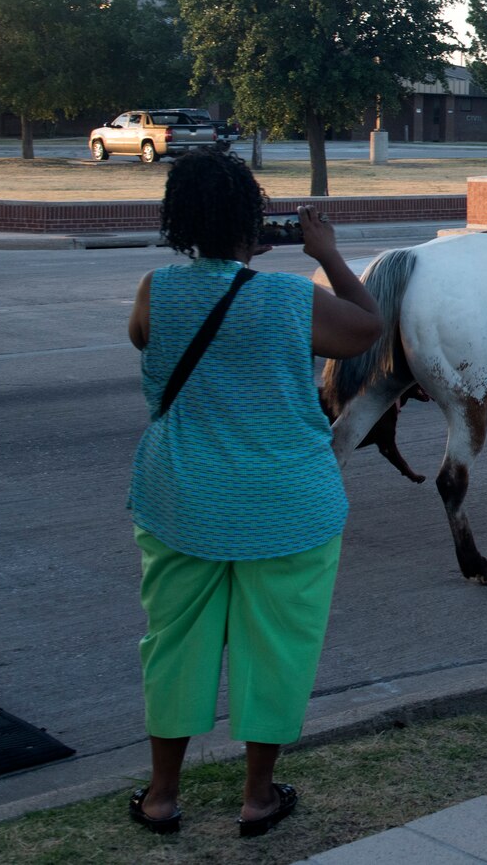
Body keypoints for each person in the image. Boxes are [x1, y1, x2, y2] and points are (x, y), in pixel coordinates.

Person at [124, 149, 383, 838]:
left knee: (173, 643)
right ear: (252, 220)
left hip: (181, 498)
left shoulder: (156, 289)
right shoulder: (290, 297)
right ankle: (257, 796)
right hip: (287, 504)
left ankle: (161, 795)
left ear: (177, 219)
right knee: (278, 647)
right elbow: (368, 328)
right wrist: (325, 253)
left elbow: (141, 338)